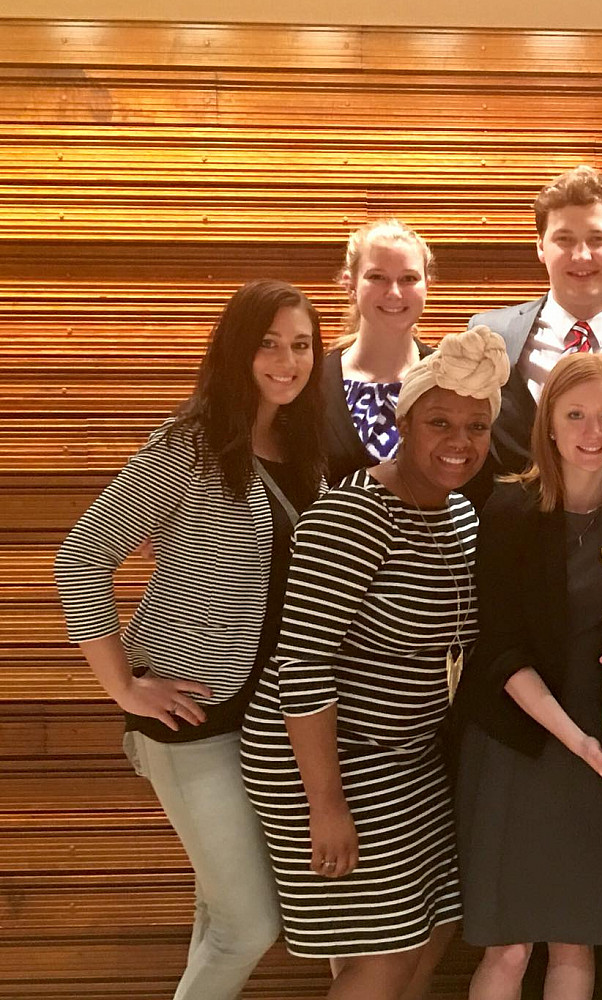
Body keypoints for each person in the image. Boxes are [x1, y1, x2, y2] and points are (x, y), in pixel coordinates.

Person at [54, 279, 325, 1000]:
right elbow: (81, 556)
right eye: (268, 343)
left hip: (267, 722)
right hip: (191, 716)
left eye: (301, 345)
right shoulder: (191, 445)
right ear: (236, 349)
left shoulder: (304, 449)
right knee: (248, 924)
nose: (286, 360)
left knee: (220, 914)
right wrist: (123, 686)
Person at [241, 326, 511, 1000]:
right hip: (331, 759)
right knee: (384, 954)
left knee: (437, 928)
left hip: (409, 758)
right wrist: (326, 805)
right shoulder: (352, 516)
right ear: (403, 422)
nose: (459, 441)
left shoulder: (461, 518)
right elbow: (301, 665)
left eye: (476, 426)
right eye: (440, 422)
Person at [453, 351, 602, 999]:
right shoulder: (511, 512)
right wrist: (578, 745)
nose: (591, 431)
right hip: (523, 748)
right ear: (548, 424)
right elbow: (500, 652)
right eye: (575, 415)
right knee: (511, 946)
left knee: (576, 940)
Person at [468, 165, 602, 501]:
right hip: (509, 542)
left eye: (597, 239)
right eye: (564, 239)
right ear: (541, 247)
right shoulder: (490, 336)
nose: (581, 255)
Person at [321, 217, 436, 486]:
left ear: (427, 285)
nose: (394, 292)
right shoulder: (313, 384)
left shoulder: (451, 380)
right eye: (377, 277)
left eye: (408, 278)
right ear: (350, 284)